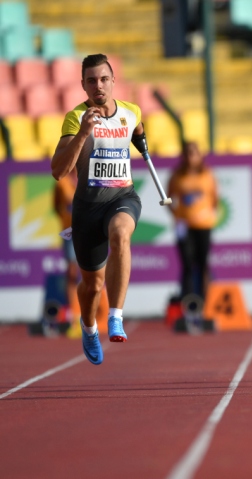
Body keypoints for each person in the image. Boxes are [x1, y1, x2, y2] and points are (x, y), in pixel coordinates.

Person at [51, 53, 148, 365]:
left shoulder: (131, 111)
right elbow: (58, 170)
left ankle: (116, 316)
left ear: (113, 81)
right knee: (91, 285)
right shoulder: (74, 118)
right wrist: (82, 134)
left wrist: (141, 138)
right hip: (88, 208)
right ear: (83, 85)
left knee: (121, 233)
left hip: (123, 198)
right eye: (91, 80)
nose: (98, 86)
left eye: (104, 79)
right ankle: (88, 326)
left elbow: (138, 130)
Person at [167, 141, 218, 300]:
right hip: (184, 226)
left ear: (199, 155)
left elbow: (215, 198)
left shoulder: (207, 174)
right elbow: (168, 198)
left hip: (204, 225)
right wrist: (177, 215)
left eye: (193, 153)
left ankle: (205, 301)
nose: (190, 157)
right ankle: (187, 301)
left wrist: (206, 214)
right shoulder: (177, 176)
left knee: (203, 264)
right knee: (187, 264)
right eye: (187, 153)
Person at [53, 167, 79, 320]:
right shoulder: (61, 182)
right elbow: (56, 206)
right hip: (69, 230)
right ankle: (73, 311)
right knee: (71, 272)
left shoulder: (87, 178)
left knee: (93, 271)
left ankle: (95, 310)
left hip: (88, 229)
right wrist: (65, 219)